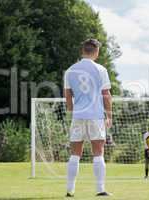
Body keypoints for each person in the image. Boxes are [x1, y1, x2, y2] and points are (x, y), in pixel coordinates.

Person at [64, 38, 112, 197]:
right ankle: (100, 189)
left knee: (75, 153)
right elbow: (106, 95)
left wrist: (72, 111)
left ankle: (70, 190)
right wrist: (109, 115)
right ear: (96, 52)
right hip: (96, 116)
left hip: (78, 116)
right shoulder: (101, 70)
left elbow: (68, 96)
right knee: (98, 152)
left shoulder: (70, 71)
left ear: (82, 51)